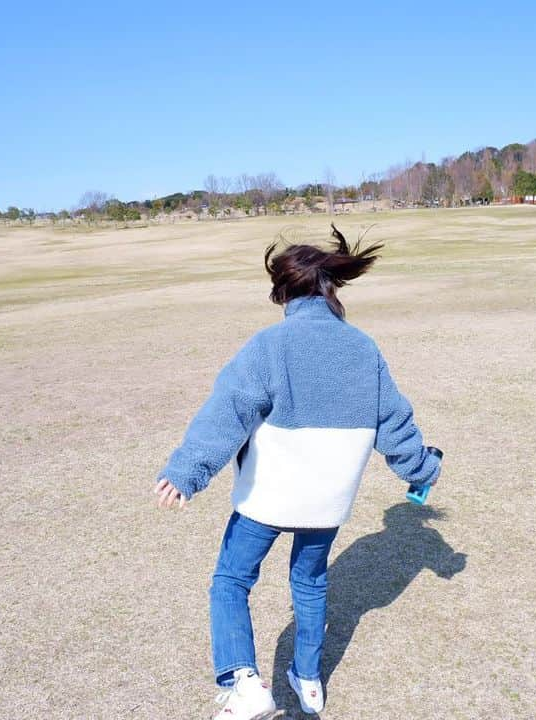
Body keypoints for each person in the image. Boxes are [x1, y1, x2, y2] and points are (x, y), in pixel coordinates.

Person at [154, 225, 441, 719]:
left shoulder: (271, 344)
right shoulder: (363, 349)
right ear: (330, 287)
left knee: (230, 580)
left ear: (285, 292)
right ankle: (308, 679)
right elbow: (394, 422)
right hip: (327, 502)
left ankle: (243, 682)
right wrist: (422, 469)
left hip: (268, 496)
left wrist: (187, 472)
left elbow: (229, 410)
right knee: (308, 583)